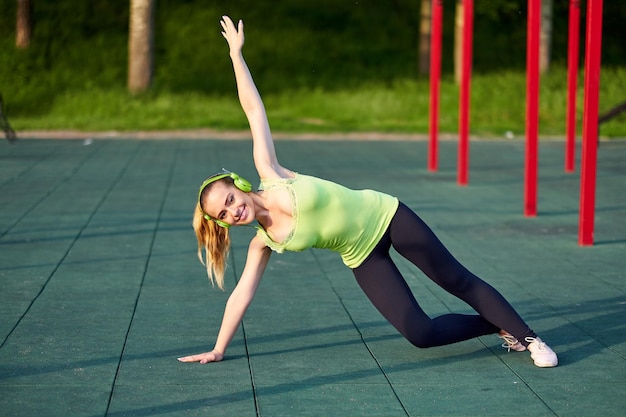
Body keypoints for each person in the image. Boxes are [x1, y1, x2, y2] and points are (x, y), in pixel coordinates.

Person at [177, 16, 558, 368]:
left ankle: (531, 338)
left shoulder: (271, 172)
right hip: (361, 255)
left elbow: (253, 110)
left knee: (456, 280)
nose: (233, 212)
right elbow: (241, 295)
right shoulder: (264, 242)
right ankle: (496, 326)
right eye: (223, 215)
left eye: (230, 200)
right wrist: (218, 348)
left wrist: (236, 56)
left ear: (240, 186)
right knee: (420, 334)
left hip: (387, 217)